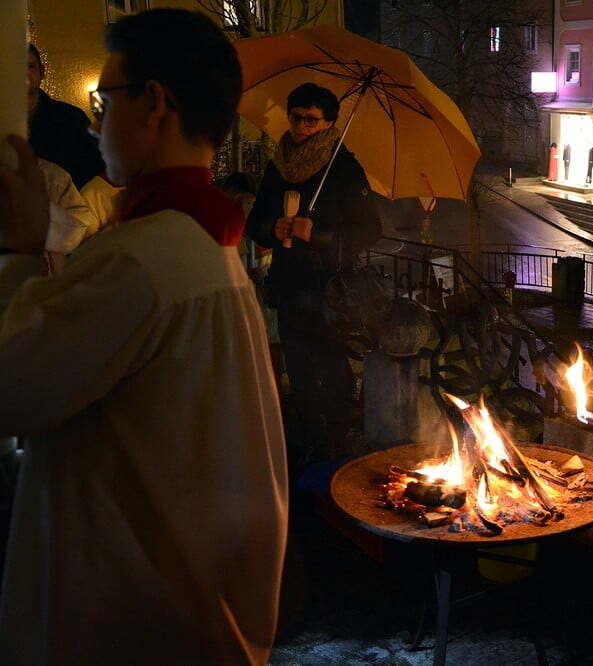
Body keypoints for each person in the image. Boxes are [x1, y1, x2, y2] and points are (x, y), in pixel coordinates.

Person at [0, 9, 287, 665]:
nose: (94, 123)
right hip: (187, 602)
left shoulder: (139, 259)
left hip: (128, 619)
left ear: (154, 104)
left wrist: (17, 249)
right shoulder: (202, 244)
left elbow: (10, 386)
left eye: (105, 101)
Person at [245, 82, 381, 467]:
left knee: (332, 370)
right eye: (296, 117)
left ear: (329, 123)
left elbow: (369, 231)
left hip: (329, 291)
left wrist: (317, 234)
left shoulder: (344, 169)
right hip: (289, 287)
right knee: (300, 372)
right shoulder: (279, 166)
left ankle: (338, 449)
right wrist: (273, 228)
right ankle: (308, 448)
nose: (302, 126)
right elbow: (255, 222)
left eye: (311, 120)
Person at [27, 43, 105, 189]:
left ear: (42, 72)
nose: (22, 73)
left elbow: (95, 168)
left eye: (30, 66)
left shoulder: (71, 118)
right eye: (16, 67)